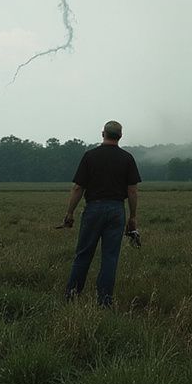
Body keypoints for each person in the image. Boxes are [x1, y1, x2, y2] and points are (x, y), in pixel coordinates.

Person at [61, 120, 141, 306]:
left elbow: (78, 187)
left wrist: (70, 212)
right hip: (116, 210)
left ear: (102, 133)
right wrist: (133, 217)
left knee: (83, 254)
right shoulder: (127, 158)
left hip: (93, 209)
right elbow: (132, 191)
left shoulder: (90, 156)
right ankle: (104, 301)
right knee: (110, 257)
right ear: (120, 136)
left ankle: (72, 296)